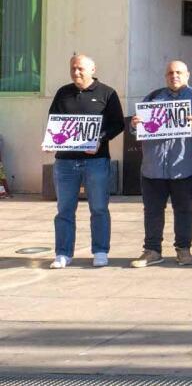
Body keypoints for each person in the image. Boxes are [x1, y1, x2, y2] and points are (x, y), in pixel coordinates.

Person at [130, 60, 192, 268]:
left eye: (178, 72)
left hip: (183, 167)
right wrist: (134, 125)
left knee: (184, 209)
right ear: (165, 76)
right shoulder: (152, 97)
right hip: (153, 167)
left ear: (188, 74)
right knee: (152, 211)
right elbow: (137, 130)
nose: (174, 76)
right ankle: (152, 251)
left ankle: (183, 249)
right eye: (170, 73)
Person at [45, 55, 125, 269]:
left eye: (80, 68)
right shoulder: (63, 93)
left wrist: (101, 139)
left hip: (96, 161)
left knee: (99, 208)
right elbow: (53, 121)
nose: (76, 72)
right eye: (73, 68)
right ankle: (63, 253)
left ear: (92, 69)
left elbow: (118, 124)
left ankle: (100, 251)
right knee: (64, 209)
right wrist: (51, 140)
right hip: (65, 162)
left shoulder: (107, 93)